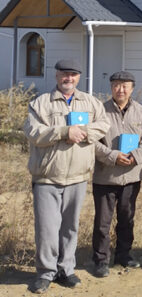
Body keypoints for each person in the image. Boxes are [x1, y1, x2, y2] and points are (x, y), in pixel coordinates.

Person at [23, 59, 110, 294]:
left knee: (70, 227)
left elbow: (104, 124)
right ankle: (45, 273)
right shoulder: (40, 103)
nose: (68, 78)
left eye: (73, 74)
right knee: (47, 229)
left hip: (78, 177)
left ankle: (66, 270)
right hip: (47, 177)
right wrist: (63, 132)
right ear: (56, 75)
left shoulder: (90, 102)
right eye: (64, 74)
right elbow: (33, 132)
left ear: (79, 77)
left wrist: (82, 132)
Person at [92, 71, 142, 277]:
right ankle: (101, 259)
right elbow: (92, 142)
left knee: (127, 218)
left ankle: (123, 255)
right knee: (103, 222)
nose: (121, 89)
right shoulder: (100, 111)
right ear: (111, 88)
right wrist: (111, 156)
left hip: (131, 176)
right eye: (117, 85)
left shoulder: (141, 111)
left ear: (132, 88)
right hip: (105, 176)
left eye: (125, 85)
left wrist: (136, 155)